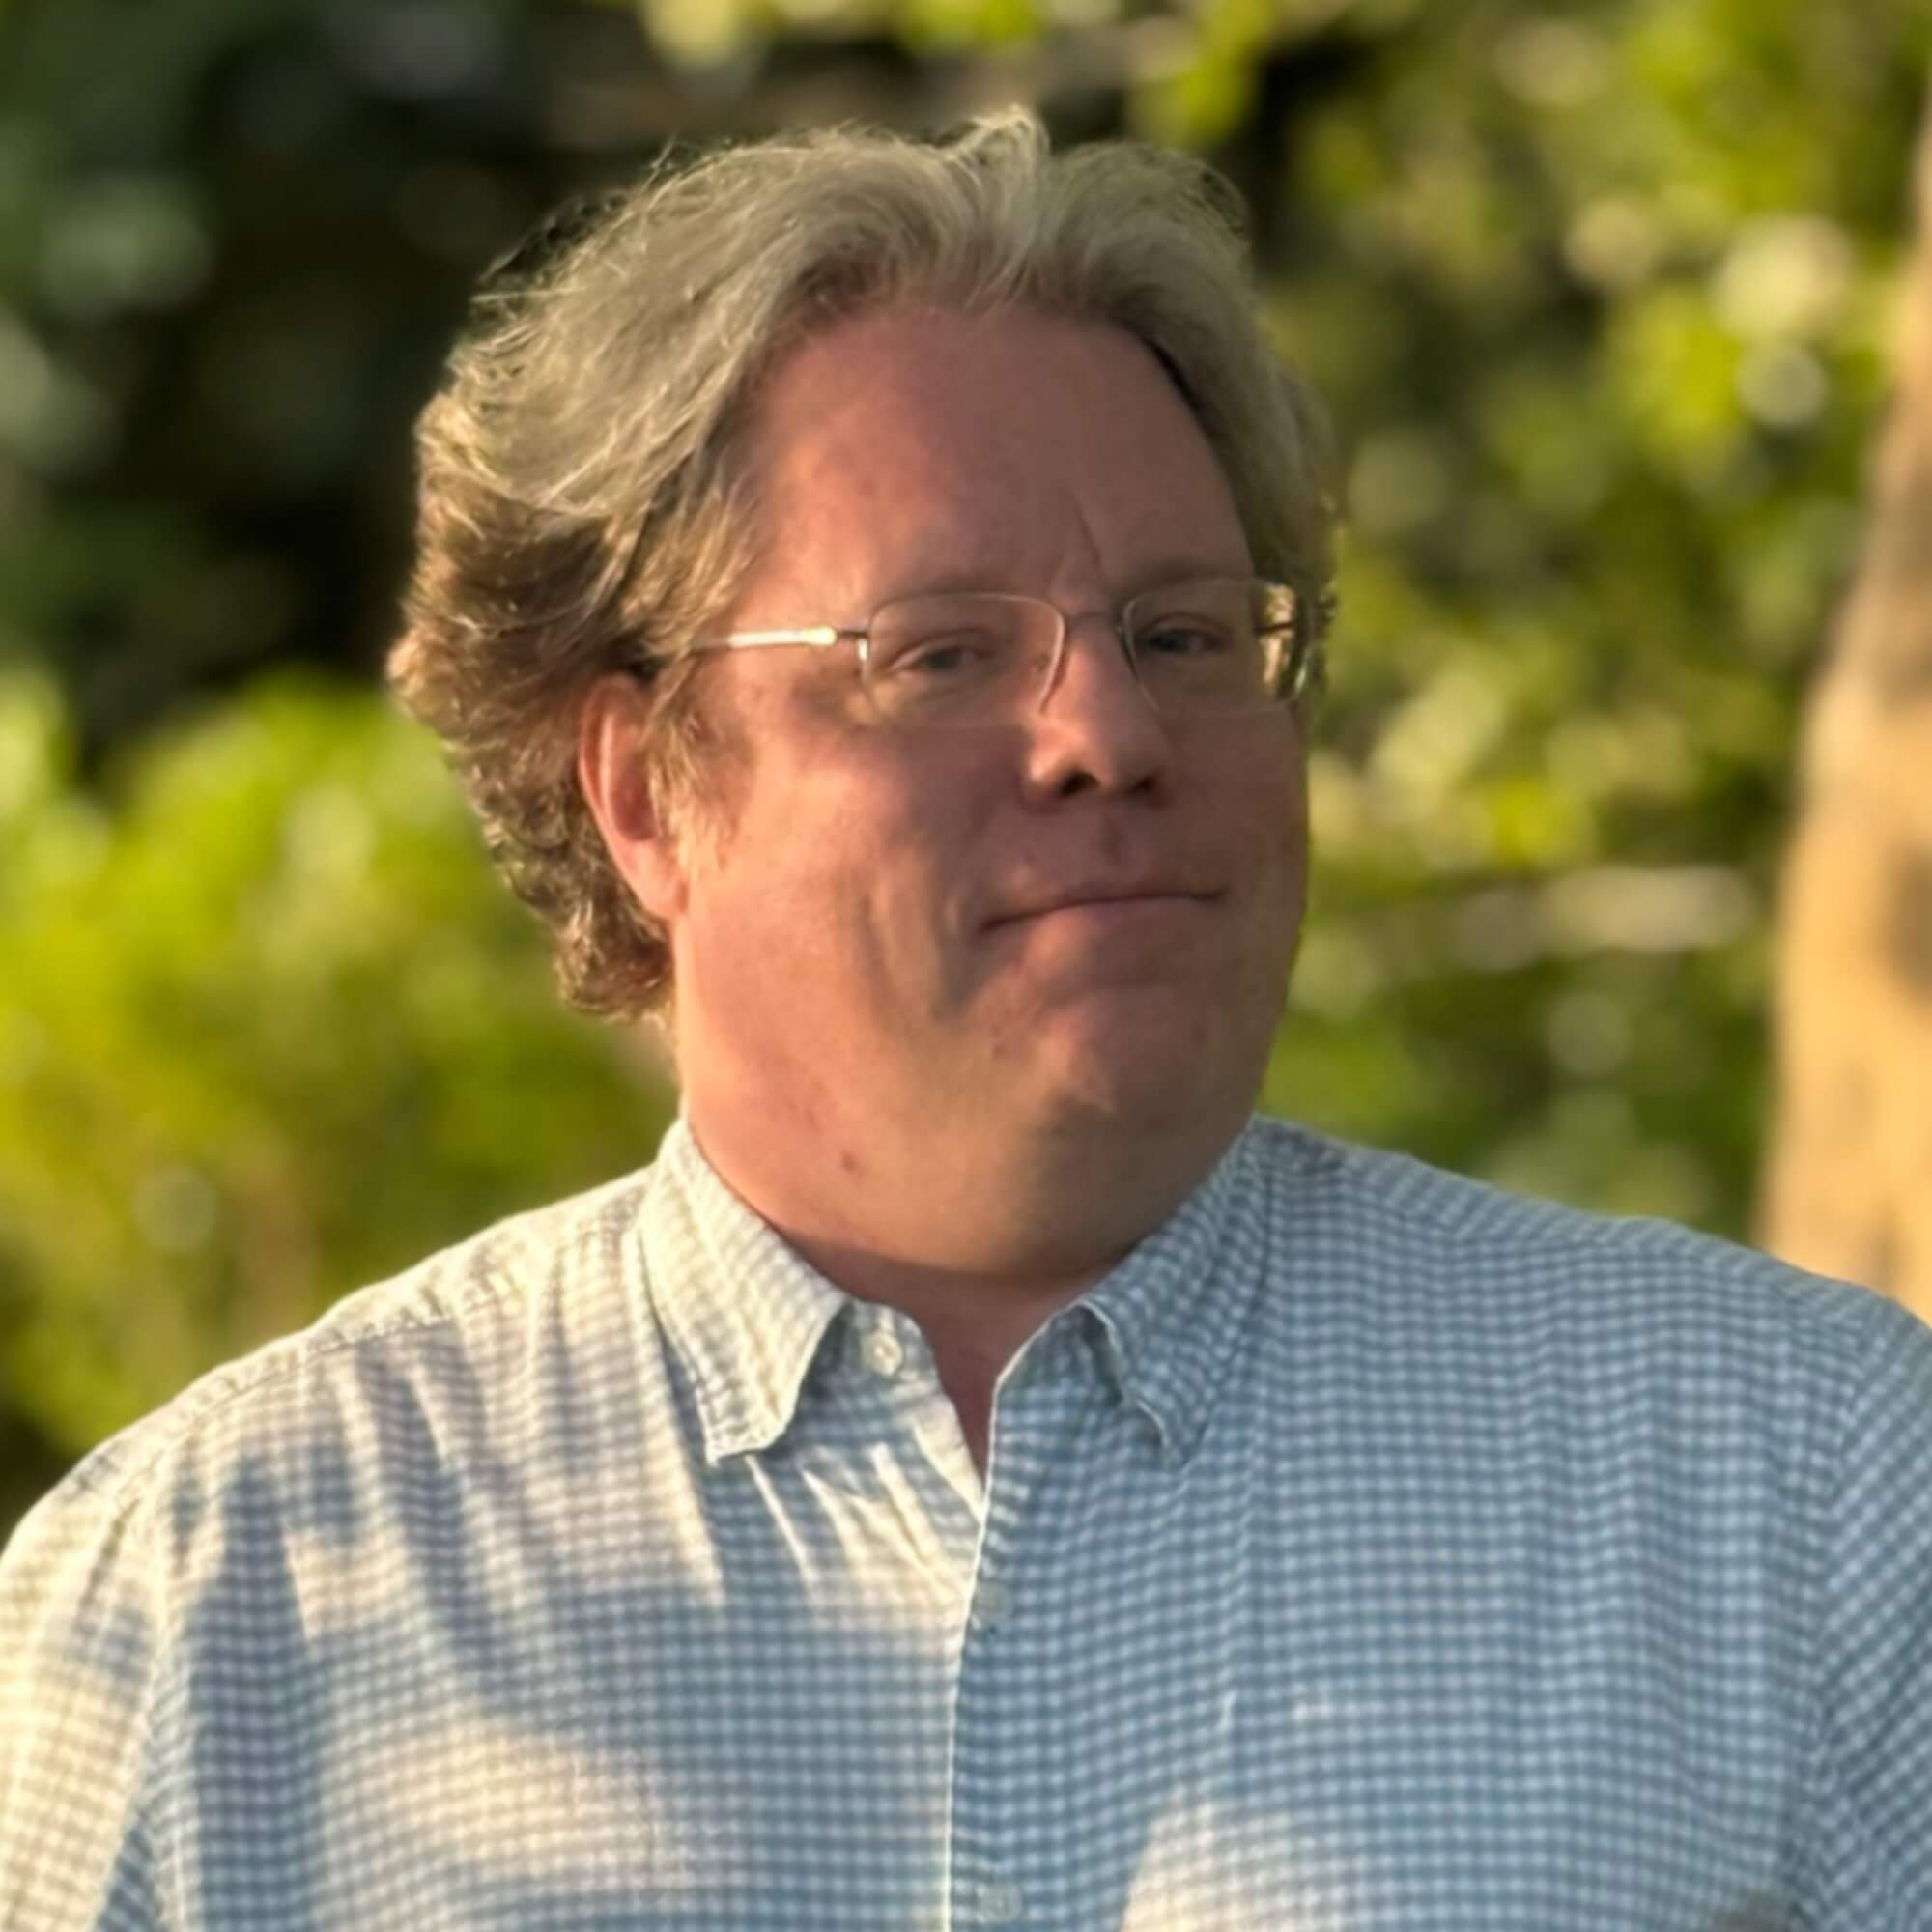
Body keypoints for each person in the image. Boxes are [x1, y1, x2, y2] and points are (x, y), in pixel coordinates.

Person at [3, 110, 1929, 1932]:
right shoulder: (208, 1606)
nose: (1108, 733)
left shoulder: (1799, 1486)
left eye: (1186, 635)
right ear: (646, 793)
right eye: (936, 655)